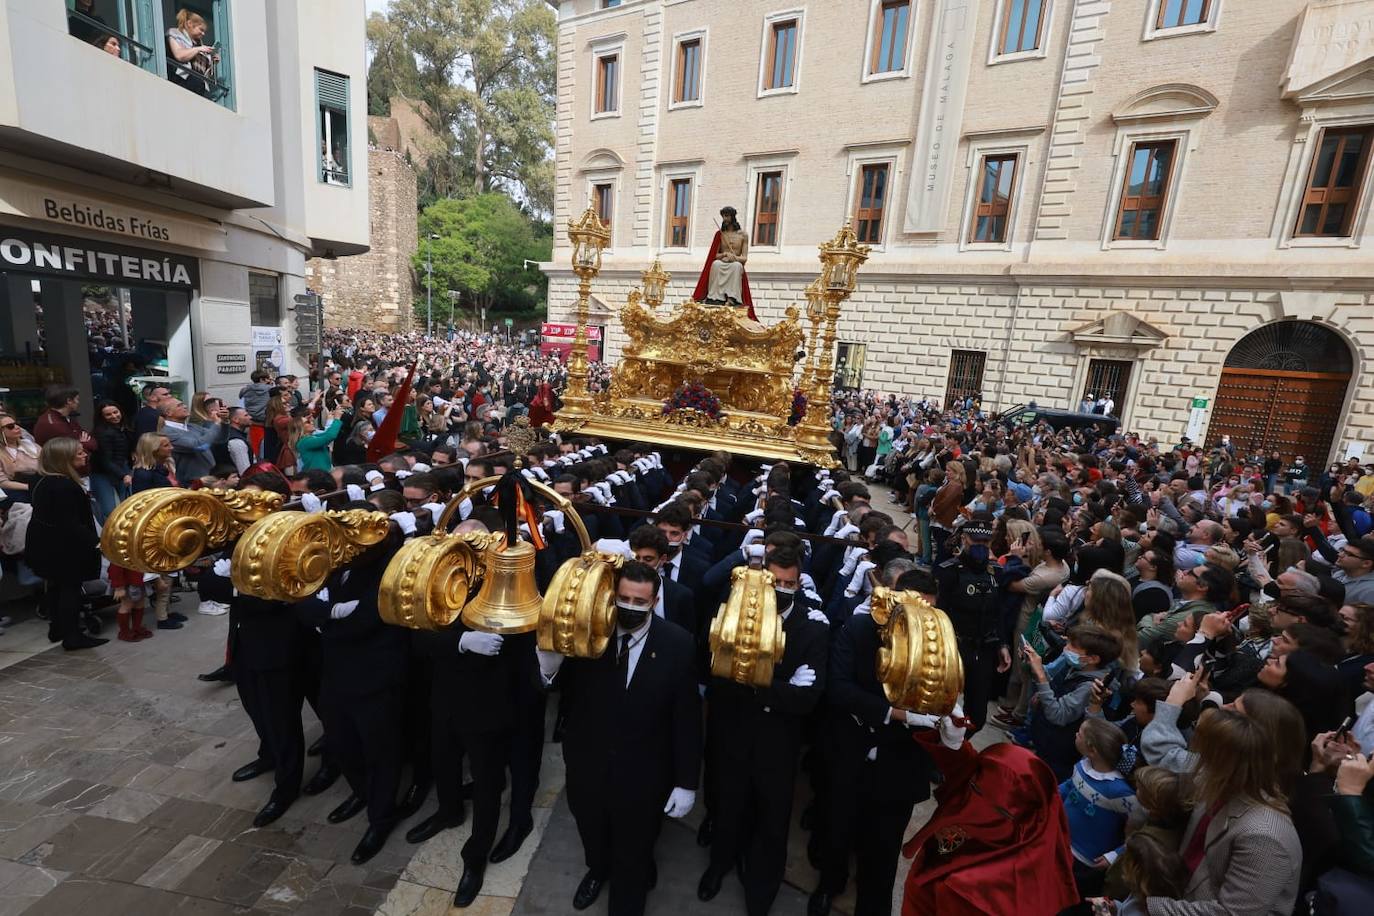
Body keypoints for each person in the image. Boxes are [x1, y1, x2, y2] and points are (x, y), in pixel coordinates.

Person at [536, 561, 701, 915]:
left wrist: (687, 782)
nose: (629, 606)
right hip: (587, 763)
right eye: (622, 598)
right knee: (591, 829)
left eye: (639, 601)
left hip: (644, 773)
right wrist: (548, 664)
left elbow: (687, 719)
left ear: (654, 602)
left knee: (634, 850)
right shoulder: (591, 632)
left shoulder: (678, 644)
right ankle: (598, 870)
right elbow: (559, 687)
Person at [699, 546, 830, 915]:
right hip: (733, 730)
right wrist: (778, 687)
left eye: (790, 582)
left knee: (772, 815)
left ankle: (762, 889)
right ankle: (719, 864)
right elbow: (716, 674)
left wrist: (752, 684)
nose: (783, 588)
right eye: (777, 581)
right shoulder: (735, 612)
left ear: (799, 582)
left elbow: (808, 698)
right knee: (728, 803)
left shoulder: (813, 626)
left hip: (779, 742)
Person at [900, 711, 1079, 915]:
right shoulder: (984, 818)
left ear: (1025, 823)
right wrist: (954, 744)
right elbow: (965, 775)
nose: (974, 809)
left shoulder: (997, 894)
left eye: (997, 810)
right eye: (975, 789)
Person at [1144, 707, 1302, 914]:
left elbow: (1231, 913)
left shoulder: (1266, 836)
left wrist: (1148, 908)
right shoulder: (1217, 783)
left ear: (1217, 758)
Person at [26, 438, 107, 651]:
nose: (84, 455)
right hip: (62, 546)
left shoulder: (42, 480)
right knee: (69, 589)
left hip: (45, 542)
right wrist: (98, 543)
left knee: (56, 587)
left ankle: (59, 628)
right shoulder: (64, 485)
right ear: (64, 458)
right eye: (79, 453)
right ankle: (73, 637)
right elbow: (70, 523)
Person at [935, 519, 1011, 732]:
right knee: (941, 706)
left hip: (984, 648)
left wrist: (1002, 645)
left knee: (977, 715)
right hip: (954, 646)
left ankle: (958, 749)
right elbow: (939, 612)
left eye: (985, 542)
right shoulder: (949, 571)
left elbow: (999, 613)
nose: (980, 545)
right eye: (975, 540)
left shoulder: (996, 573)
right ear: (964, 539)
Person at [693, 206, 757, 318]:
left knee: (737, 266)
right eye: (723, 216)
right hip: (722, 261)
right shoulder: (720, 234)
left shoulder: (743, 235)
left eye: (727, 216)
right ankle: (716, 297)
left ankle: (732, 298)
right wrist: (723, 255)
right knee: (715, 264)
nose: (724, 219)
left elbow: (744, 258)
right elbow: (715, 256)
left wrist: (734, 257)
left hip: (735, 262)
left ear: (733, 217)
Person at [159, 396, 225, 483]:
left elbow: (219, 439)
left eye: (184, 404)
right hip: (191, 480)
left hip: (210, 476)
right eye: (179, 405)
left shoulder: (192, 426)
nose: (185, 407)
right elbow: (199, 445)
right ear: (168, 413)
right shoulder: (167, 432)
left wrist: (224, 421)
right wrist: (216, 424)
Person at [90, 400, 134, 521]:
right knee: (109, 510)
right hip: (103, 472)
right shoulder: (102, 433)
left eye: (115, 412)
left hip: (121, 468)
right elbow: (105, 460)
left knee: (127, 506)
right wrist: (123, 475)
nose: (114, 416)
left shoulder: (124, 429)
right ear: (102, 417)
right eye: (108, 414)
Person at [165, 9, 219, 97]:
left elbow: (205, 74)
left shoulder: (198, 45)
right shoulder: (175, 34)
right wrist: (198, 49)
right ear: (190, 24)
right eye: (201, 29)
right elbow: (179, 55)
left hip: (198, 87)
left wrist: (213, 62)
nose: (203, 33)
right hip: (181, 81)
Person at [32, 385, 97, 455]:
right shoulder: (55, 426)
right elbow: (77, 452)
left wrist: (81, 443)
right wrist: (83, 444)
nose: (78, 402)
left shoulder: (60, 417)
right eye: (77, 399)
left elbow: (92, 442)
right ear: (69, 401)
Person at [0, 412, 40, 503]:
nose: (17, 427)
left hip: (41, 482)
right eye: (10, 426)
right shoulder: (2, 453)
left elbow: (48, 463)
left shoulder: (29, 444)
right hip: (19, 490)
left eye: (16, 424)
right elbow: (2, 482)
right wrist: (30, 487)